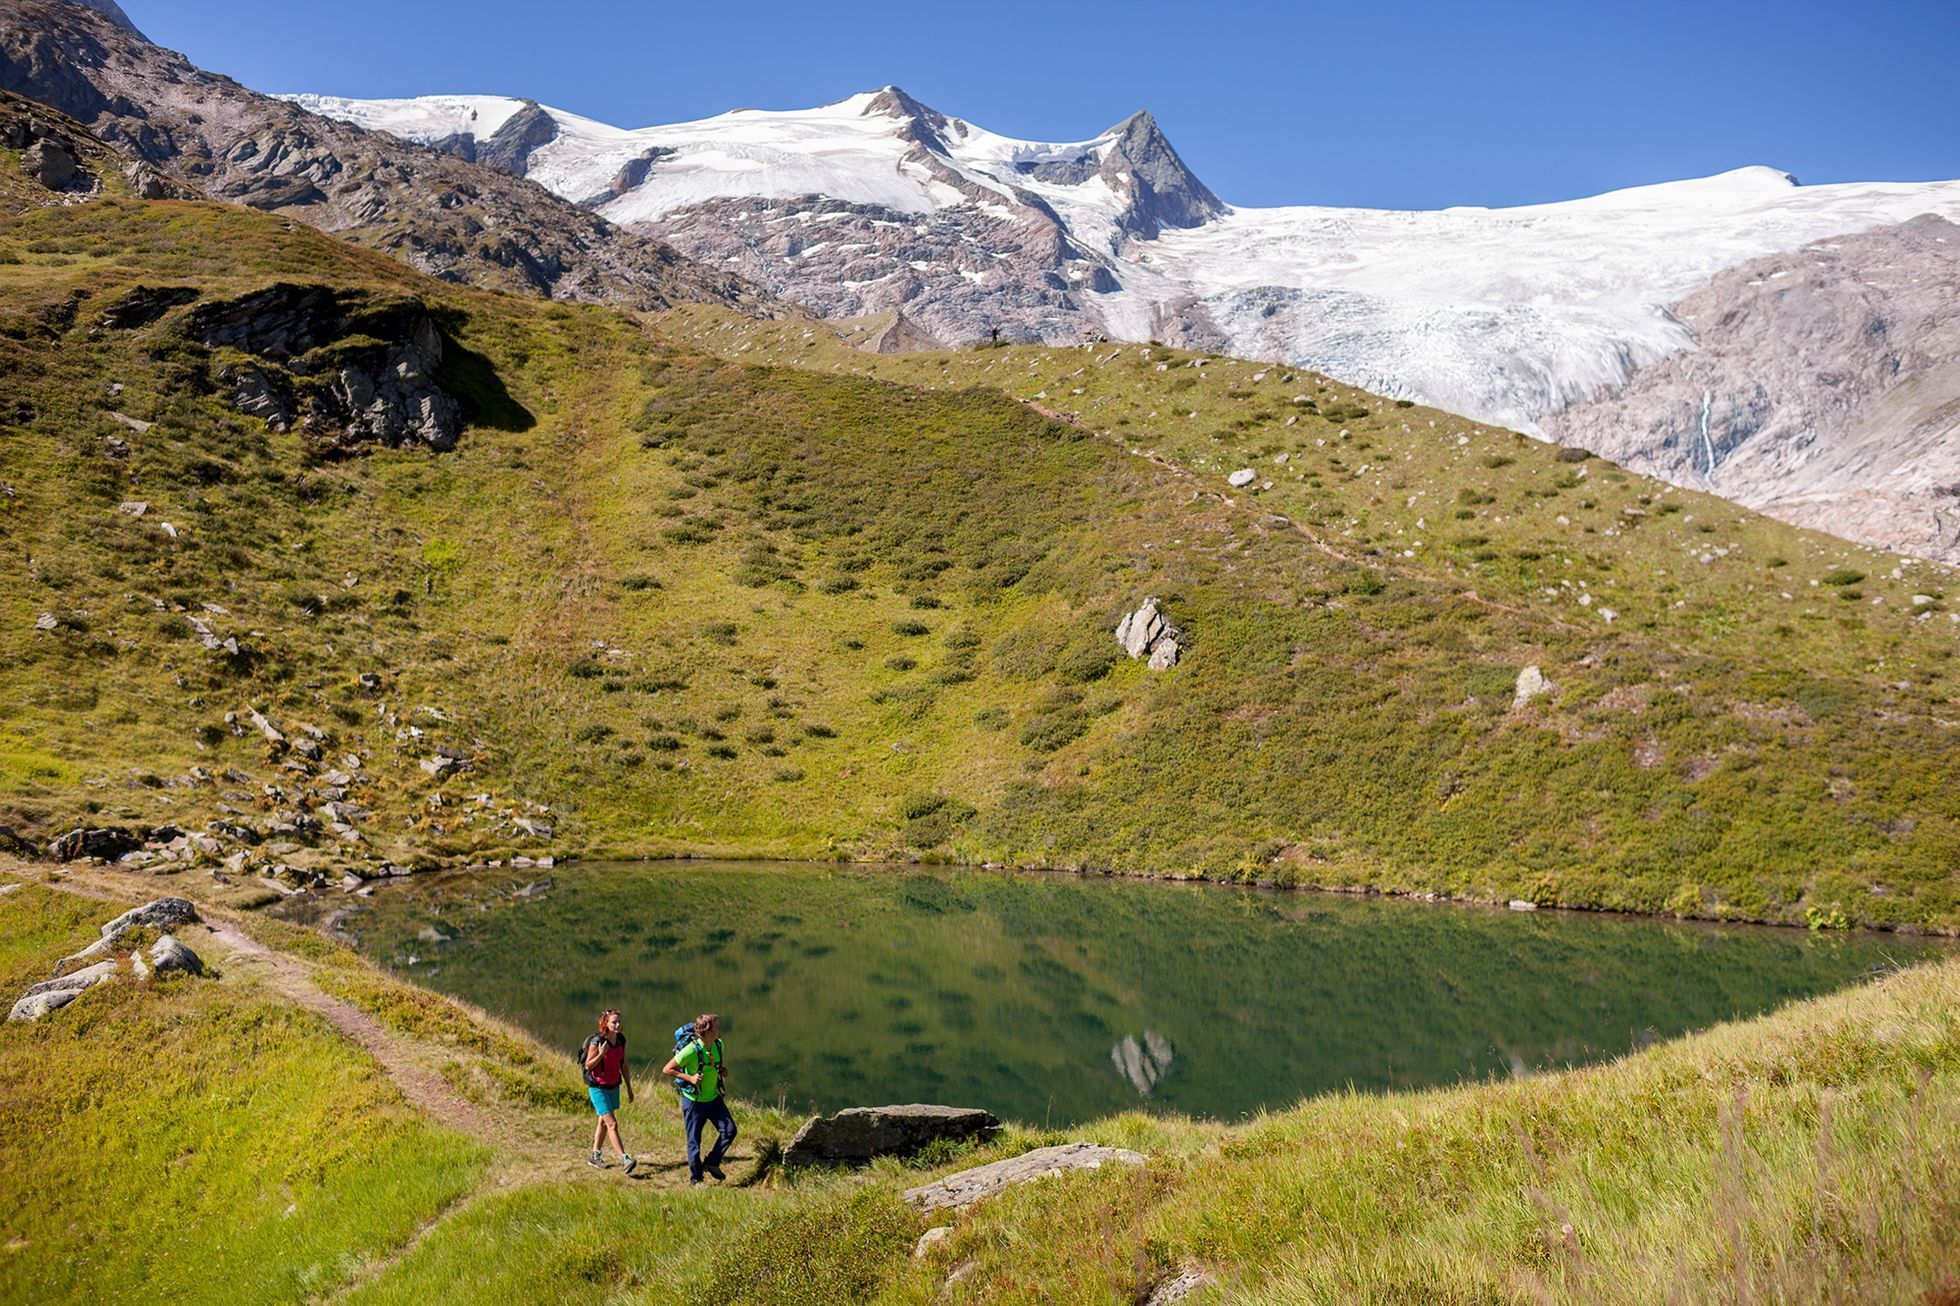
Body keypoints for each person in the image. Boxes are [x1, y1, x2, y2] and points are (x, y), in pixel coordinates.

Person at [662, 1012, 736, 1183]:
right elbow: (667, 1069)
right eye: (717, 1026)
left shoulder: (719, 1045)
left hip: (714, 1099)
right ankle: (696, 1178)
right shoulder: (690, 1050)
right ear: (708, 1031)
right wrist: (690, 1078)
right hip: (694, 1102)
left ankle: (712, 1162)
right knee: (694, 1141)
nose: (720, 1029)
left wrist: (721, 1070)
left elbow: (713, 1064)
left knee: (730, 1130)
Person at [582, 1008, 636, 1173]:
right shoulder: (597, 1041)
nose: (618, 1025)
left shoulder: (620, 1040)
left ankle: (594, 1156)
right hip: (598, 1088)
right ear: (605, 1023)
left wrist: (629, 1087)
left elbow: (624, 1065)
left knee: (603, 1122)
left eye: (619, 1021)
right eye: (614, 1022)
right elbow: (588, 1065)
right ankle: (624, 1158)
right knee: (612, 1124)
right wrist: (600, 1054)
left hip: (613, 1086)